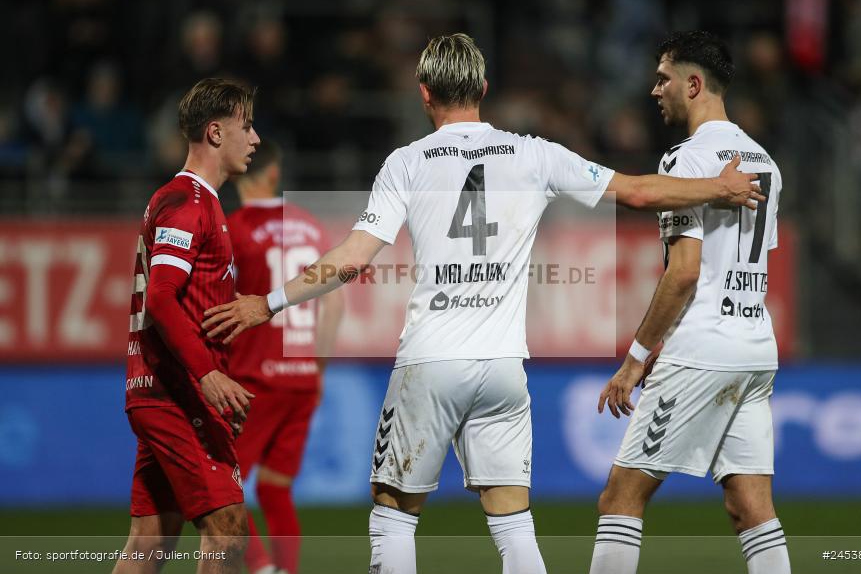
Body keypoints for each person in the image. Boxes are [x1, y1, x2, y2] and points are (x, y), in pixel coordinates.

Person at [201, 33, 763, 574]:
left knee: (393, 512)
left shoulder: (406, 163)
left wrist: (268, 303)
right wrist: (721, 187)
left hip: (430, 362)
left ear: (425, 92)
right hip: (502, 369)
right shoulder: (533, 154)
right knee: (513, 521)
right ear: (484, 86)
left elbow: (352, 258)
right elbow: (640, 191)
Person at [592, 31, 789, 574]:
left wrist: (635, 360)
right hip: (754, 347)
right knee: (751, 507)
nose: (655, 90)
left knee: (619, 497)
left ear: (693, 83)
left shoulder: (686, 160)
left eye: (663, 79)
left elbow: (683, 274)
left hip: (702, 348)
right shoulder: (766, 161)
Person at [114, 78, 259, 574]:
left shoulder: (198, 203)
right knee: (229, 531)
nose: (255, 138)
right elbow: (160, 297)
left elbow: (184, 295)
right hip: (177, 395)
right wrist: (208, 374)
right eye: (247, 125)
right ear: (216, 133)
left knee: (148, 542)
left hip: (162, 389)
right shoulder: (188, 202)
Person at [227, 140, 345, 574]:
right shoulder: (311, 227)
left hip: (254, 379)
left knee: (225, 484)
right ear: (276, 174)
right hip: (300, 377)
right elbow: (334, 306)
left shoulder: (233, 230)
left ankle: (260, 567)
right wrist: (317, 369)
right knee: (276, 490)